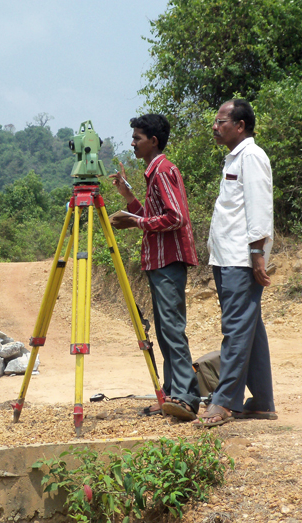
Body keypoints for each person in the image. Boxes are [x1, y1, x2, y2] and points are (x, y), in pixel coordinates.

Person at [109, 114, 201, 421]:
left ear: (153, 141)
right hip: (160, 261)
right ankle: (171, 394)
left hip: (169, 260)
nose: (133, 143)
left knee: (172, 329)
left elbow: (176, 217)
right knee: (164, 331)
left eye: (137, 138)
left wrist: (136, 222)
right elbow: (151, 215)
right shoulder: (155, 173)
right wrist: (129, 198)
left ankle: (186, 397)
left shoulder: (162, 171)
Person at [194, 99, 277, 427]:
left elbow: (260, 207)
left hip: (240, 259)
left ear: (240, 126)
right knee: (249, 328)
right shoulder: (236, 157)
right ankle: (262, 401)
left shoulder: (252, 157)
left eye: (221, 122)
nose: (215, 127)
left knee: (236, 329)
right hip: (227, 256)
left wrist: (257, 253)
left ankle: (225, 401)